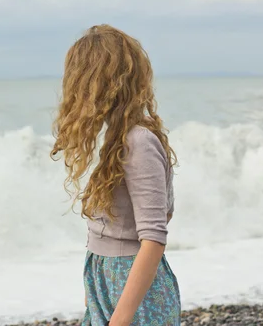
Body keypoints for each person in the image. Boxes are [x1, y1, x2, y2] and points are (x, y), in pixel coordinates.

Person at [51, 24, 181, 326]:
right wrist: (93, 286)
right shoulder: (118, 138)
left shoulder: (138, 141)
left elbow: (153, 238)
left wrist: (120, 319)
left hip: (135, 296)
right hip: (111, 286)